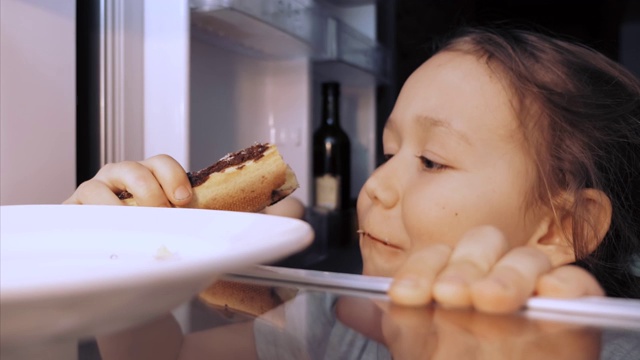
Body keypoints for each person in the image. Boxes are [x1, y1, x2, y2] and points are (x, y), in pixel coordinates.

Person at [66, 25, 640, 359]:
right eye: (389, 154)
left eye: (432, 162)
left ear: (565, 226)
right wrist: (113, 261)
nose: (375, 187)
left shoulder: (599, 346)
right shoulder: (337, 325)